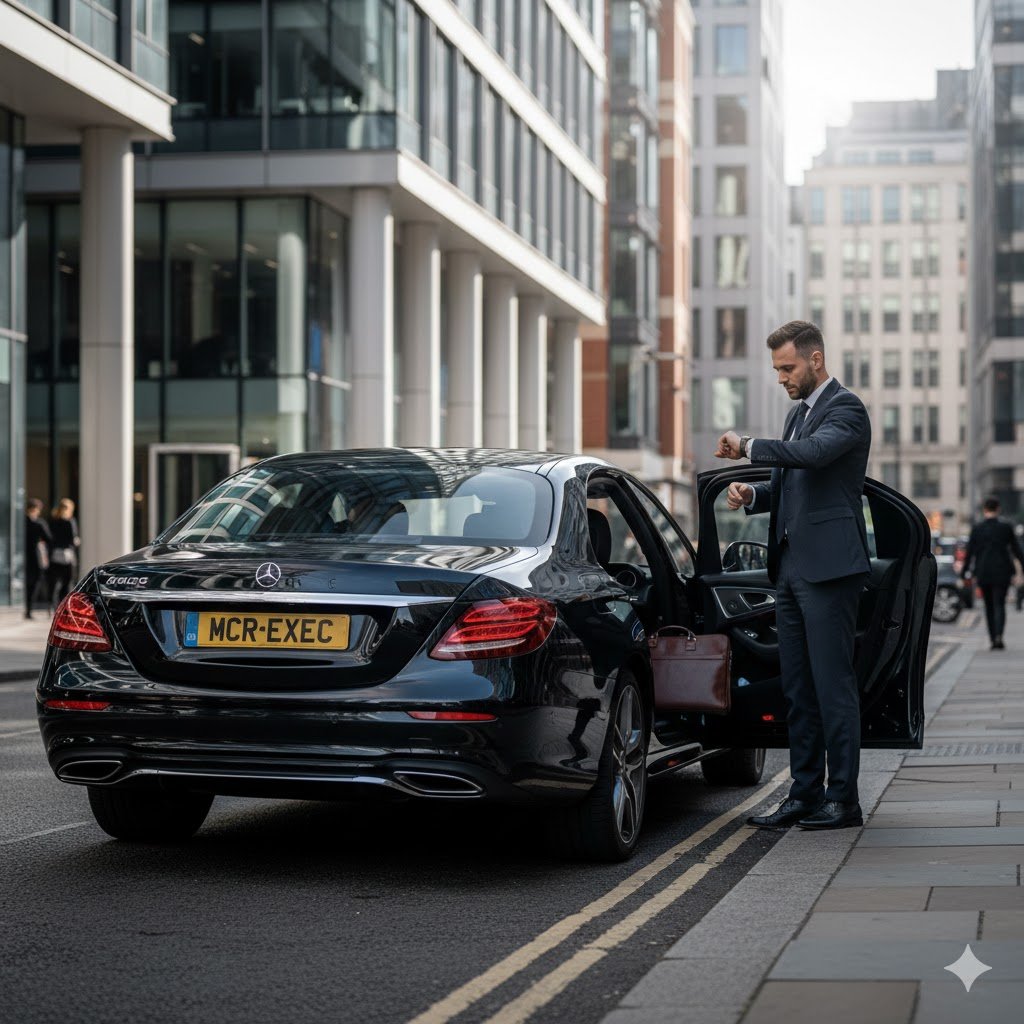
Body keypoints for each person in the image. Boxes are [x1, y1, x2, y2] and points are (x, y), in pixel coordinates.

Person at [714, 320, 872, 831]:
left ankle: (842, 800)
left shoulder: (845, 409)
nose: (781, 377)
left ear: (816, 359)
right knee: (799, 691)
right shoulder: (796, 417)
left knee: (833, 688)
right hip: (790, 570)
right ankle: (803, 795)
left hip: (829, 571)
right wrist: (754, 496)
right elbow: (793, 479)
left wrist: (748, 446)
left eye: (788, 367)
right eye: (777, 369)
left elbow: (815, 456)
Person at [962, 496, 1024, 650]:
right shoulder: (1006, 527)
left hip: (983, 571)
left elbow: (970, 552)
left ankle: (992, 638)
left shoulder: (977, 528)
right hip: (1002, 570)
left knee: (988, 605)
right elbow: (1016, 550)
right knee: (1000, 604)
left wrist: (964, 572)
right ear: (998, 509)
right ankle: (999, 637)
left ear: (984, 510)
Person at [48, 498, 81, 611]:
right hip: (67, 555)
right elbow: (73, 539)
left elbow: (50, 538)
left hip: (55, 555)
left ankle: (53, 607)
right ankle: (65, 608)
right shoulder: (70, 521)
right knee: (68, 582)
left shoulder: (53, 521)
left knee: (55, 583)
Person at [24, 498, 52, 619]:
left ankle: (27, 609)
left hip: (23, 555)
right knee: (35, 582)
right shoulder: (39, 523)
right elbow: (49, 538)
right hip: (34, 557)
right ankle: (29, 609)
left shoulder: (21, 521)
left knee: (26, 583)